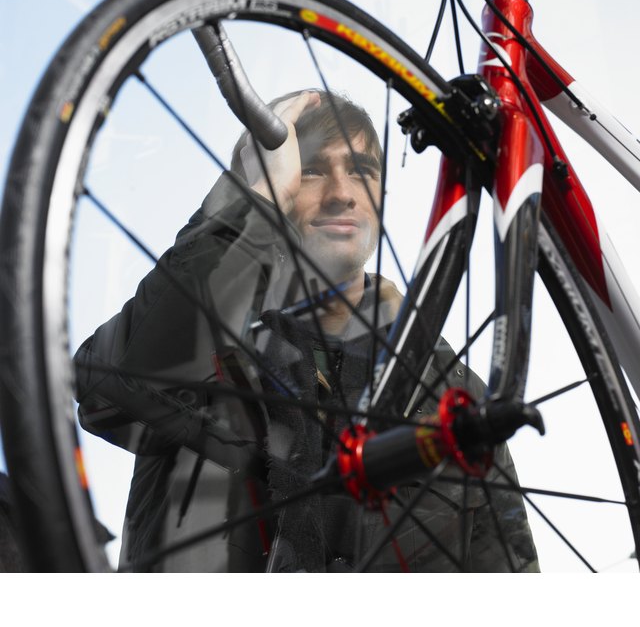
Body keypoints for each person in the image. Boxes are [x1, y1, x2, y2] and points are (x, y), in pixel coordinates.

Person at [74, 89, 539, 572]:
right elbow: (107, 391)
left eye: (362, 169)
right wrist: (244, 202)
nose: (342, 192)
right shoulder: (211, 338)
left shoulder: (452, 391)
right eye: (312, 169)